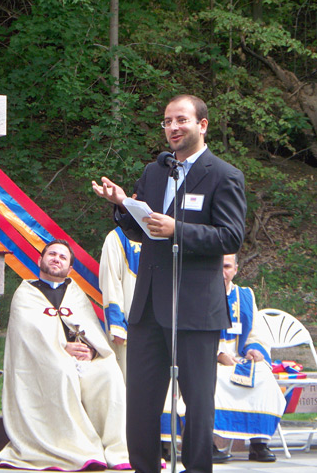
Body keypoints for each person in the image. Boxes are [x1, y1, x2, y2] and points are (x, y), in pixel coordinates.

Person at [92, 94, 247, 473]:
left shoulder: (224, 175)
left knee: (197, 404)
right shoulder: (154, 171)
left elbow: (230, 237)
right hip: (148, 305)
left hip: (195, 308)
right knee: (141, 402)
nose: (173, 128)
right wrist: (122, 204)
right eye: (167, 122)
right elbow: (142, 230)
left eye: (181, 120)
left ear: (202, 125)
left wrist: (179, 229)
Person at [0, 240, 130, 471]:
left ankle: (115, 448)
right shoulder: (25, 294)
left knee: (109, 372)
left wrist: (90, 349)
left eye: (62, 257)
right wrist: (62, 348)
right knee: (63, 371)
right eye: (52, 254)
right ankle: (76, 448)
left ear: (69, 269)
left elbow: (92, 331)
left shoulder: (76, 295)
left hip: (82, 361)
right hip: (43, 363)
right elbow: (26, 339)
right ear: (40, 260)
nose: (56, 258)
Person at [212, 254, 286, 463]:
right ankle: (208, 443)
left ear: (235, 269)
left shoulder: (245, 296)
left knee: (264, 377)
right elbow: (192, 333)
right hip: (209, 358)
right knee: (213, 380)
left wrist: (254, 349)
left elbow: (254, 332)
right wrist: (218, 355)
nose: (222, 272)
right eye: (218, 266)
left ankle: (259, 443)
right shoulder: (201, 295)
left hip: (240, 358)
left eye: (227, 266)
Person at [99, 226, 141, 381]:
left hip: (165, 327)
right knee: (130, 385)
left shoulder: (167, 233)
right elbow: (110, 282)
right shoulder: (118, 237)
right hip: (130, 329)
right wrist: (117, 326)